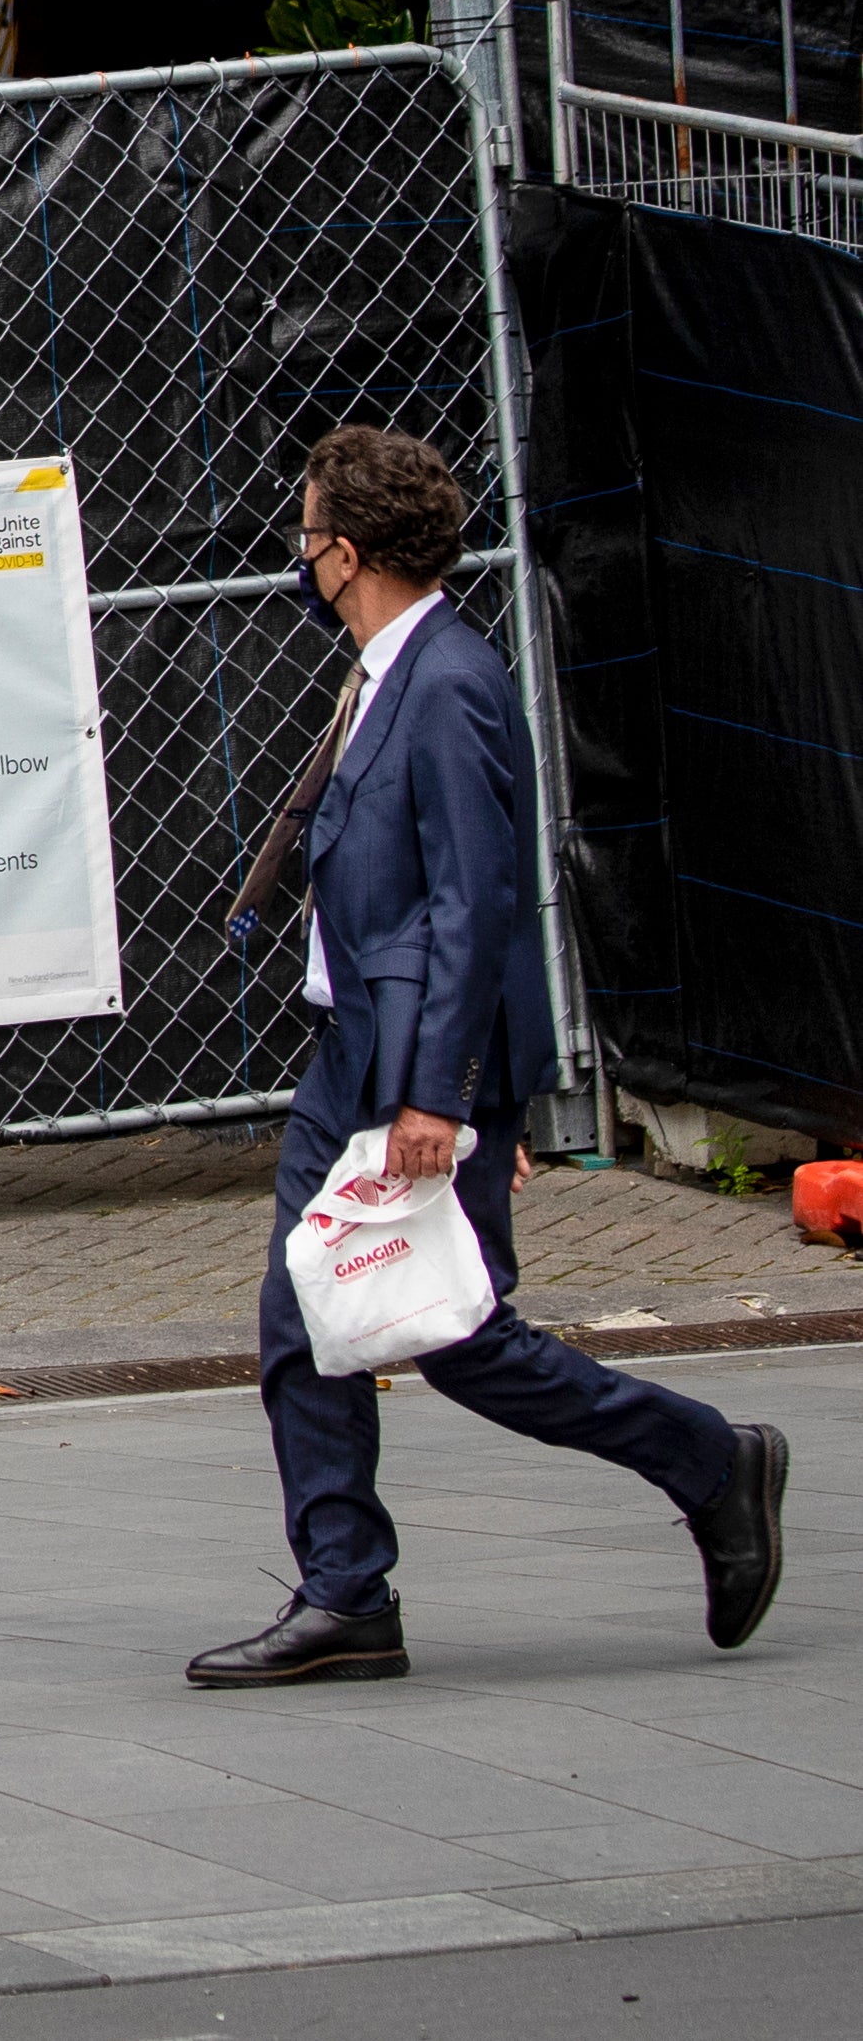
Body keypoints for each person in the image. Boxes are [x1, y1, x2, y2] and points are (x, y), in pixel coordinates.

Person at [189, 425, 790, 1687]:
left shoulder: (448, 681)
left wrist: (445, 1099)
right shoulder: (385, 671)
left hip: (404, 1069)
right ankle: (345, 1592)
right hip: (349, 1050)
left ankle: (706, 1458)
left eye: (307, 538)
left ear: (344, 554)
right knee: (301, 1316)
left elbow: (478, 902)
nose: (299, 559)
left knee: (455, 1333)